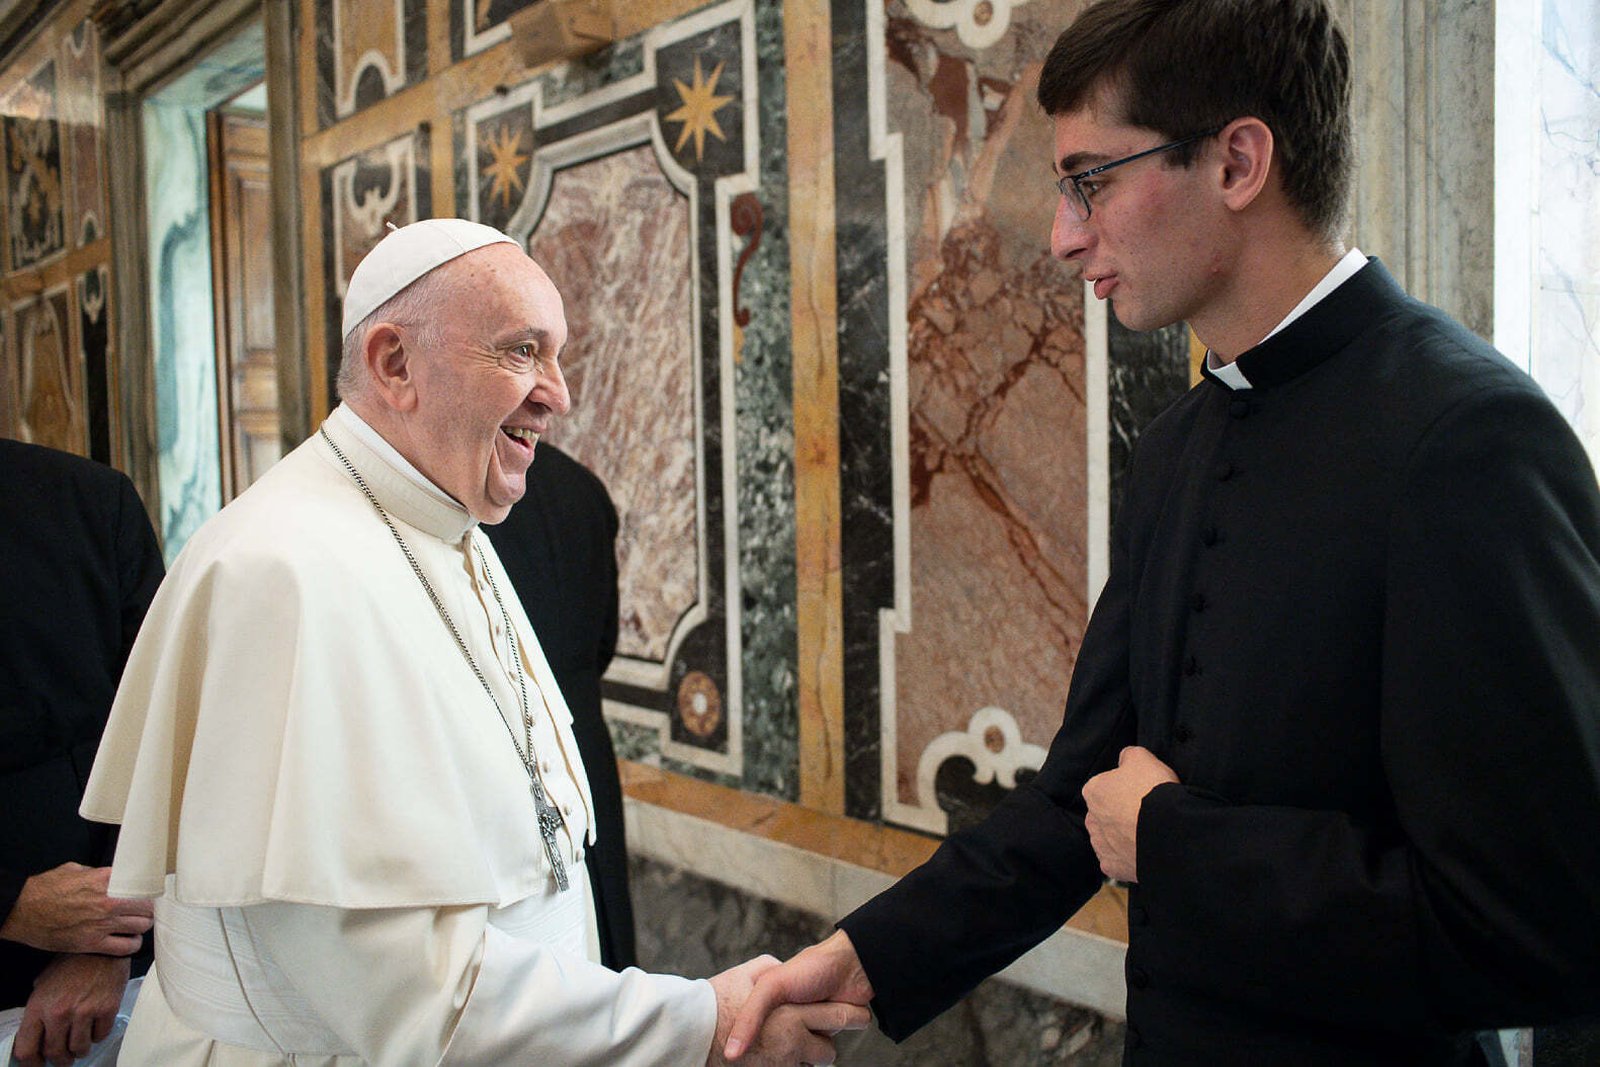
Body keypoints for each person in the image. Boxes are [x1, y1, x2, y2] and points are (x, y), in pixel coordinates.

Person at [725, 1, 1600, 1064]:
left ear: (1237, 162)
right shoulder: (1179, 442)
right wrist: (859, 958)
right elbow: (1079, 800)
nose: (1061, 233)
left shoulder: (1469, 438)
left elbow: (1531, 928)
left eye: (1090, 179)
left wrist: (1181, 847)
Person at [80, 219, 865, 1066]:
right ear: (393, 364)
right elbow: (411, 993)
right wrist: (699, 1023)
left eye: (558, 354)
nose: (558, 394)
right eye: (522, 351)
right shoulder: (283, 575)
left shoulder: (448, 522)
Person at [1, 439, 161, 1066]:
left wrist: (107, 946)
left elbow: (167, 738)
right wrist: (10, 903)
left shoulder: (89, 501)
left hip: (98, 1001)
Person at [485, 443, 638, 970]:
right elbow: (604, 642)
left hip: (515, 755)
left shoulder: (471, 499)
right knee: (605, 931)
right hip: (586, 743)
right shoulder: (583, 487)